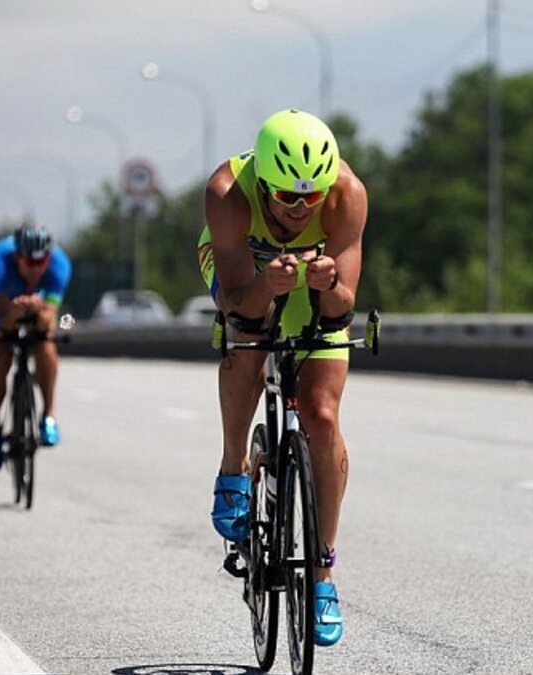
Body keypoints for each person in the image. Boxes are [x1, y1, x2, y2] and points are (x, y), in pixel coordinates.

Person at [197, 108, 368, 647]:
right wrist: (266, 287)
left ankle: (322, 577)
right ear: (264, 184)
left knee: (321, 414)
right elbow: (237, 303)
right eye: (288, 198)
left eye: (311, 198)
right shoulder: (228, 193)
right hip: (247, 274)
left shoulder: (346, 194)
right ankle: (233, 468)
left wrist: (329, 282)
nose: (300, 209)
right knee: (250, 335)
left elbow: (342, 311)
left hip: (310, 281)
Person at [0, 221, 72, 471]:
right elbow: (3, 320)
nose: (35, 270)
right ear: (17, 257)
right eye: (29, 263)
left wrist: (41, 313)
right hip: (1, 304)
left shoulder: (60, 266)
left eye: (41, 264)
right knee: (1, 359)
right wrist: (15, 312)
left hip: (35, 304)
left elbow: (50, 319)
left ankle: (48, 415)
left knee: (46, 345)